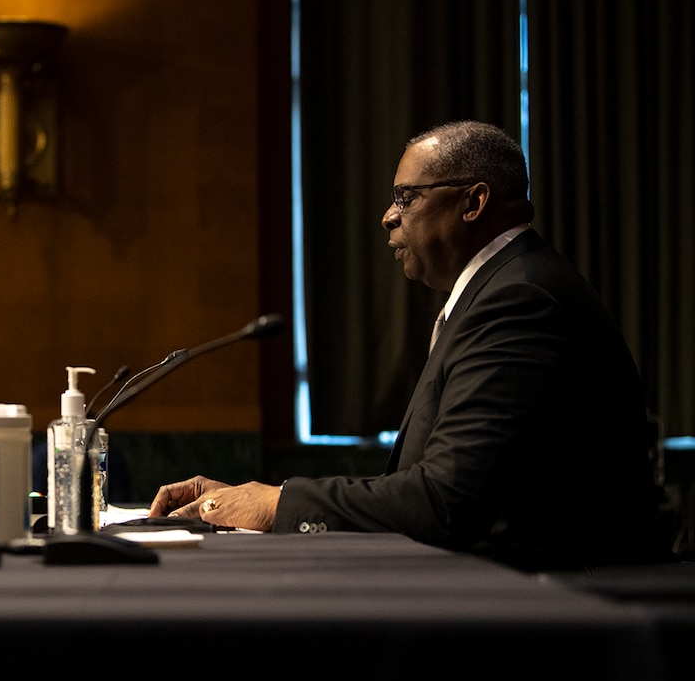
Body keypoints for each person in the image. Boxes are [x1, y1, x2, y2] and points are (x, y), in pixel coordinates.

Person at [150, 121, 668, 571]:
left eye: (406, 197)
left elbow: (444, 502)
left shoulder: (519, 300)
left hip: (568, 608)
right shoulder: (500, 291)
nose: (388, 217)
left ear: (474, 202)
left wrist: (279, 504)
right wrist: (261, 501)